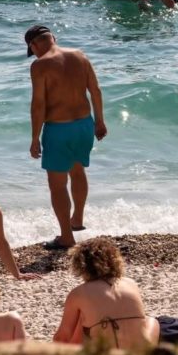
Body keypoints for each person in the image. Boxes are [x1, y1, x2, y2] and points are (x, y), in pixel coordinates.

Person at [26, 25, 107, 250]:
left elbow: (38, 104)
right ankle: (77, 220)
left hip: (59, 129)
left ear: (34, 45)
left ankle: (66, 237)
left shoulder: (39, 65)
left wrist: (35, 138)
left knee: (57, 185)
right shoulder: (79, 55)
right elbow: (96, 90)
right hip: (84, 125)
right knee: (78, 170)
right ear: (53, 37)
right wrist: (99, 121)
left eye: (33, 50)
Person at [53, 237, 160, 348]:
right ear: (115, 260)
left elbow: (62, 337)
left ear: (80, 265)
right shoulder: (130, 283)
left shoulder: (78, 293)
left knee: (85, 316)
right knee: (151, 320)